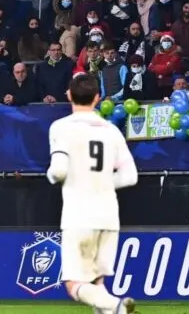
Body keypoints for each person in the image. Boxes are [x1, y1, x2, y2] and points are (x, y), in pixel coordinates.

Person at [45, 73, 139, 314]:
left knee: (74, 284)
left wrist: (52, 176)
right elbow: (130, 176)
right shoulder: (111, 130)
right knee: (97, 284)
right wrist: (103, 183)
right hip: (108, 216)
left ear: (68, 95)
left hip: (79, 216)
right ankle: (113, 307)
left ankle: (116, 304)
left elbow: (59, 170)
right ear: (98, 98)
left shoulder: (62, 127)